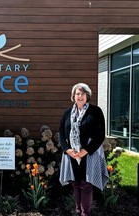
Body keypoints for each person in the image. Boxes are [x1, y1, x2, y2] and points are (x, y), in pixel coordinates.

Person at [59, 83, 109, 216]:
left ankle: (84, 213)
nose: (80, 96)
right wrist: (67, 149)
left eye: (82, 93)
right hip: (72, 154)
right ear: (73, 96)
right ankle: (77, 211)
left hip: (89, 153)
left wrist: (85, 150)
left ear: (87, 96)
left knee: (86, 185)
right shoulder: (67, 113)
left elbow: (100, 134)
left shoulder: (95, 111)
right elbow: (61, 134)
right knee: (75, 183)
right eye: (77, 93)